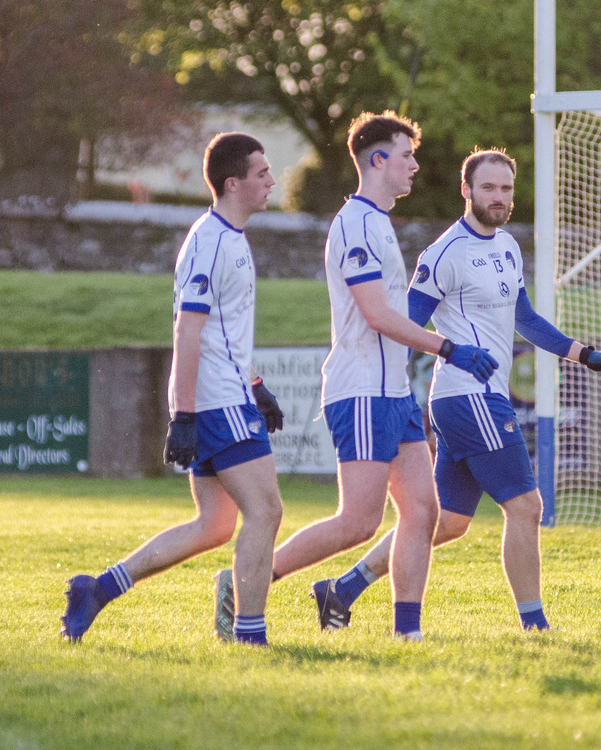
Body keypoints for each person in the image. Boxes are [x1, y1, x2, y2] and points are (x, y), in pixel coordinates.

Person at [315, 148, 601, 632]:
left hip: (477, 398)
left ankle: (343, 588)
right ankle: (536, 627)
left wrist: (583, 354)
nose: (498, 197)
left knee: (448, 523)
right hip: (467, 396)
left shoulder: (507, 247)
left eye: (506, 188)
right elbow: (405, 325)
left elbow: (526, 320)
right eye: (488, 188)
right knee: (526, 505)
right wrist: (394, 393)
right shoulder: (443, 255)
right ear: (466, 190)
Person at [224, 111, 496, 642]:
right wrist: (450, 348)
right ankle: (244, 582)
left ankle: (407, 635)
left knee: (423, 510)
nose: (415, 165)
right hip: (362, 390)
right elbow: (375, 314)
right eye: (406, 155)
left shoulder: (378, 221)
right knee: (358, 523)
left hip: (392, 392)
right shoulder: (354, 224)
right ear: (378, 160)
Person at [61, 132, 286, 646]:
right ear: (233, 184)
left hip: (226, 395)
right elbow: (188, 331)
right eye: (261, 173)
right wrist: (183, 416)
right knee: (267, 512)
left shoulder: (229, 236)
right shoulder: (209, 241)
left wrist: (255, 384)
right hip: (216, 404)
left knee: (214, 525)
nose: (272, 181)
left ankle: (97, 590)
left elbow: (223, 333)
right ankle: (249, 635)